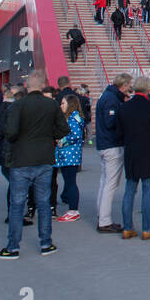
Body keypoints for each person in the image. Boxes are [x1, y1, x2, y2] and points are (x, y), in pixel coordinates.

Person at [0, 72, 67, 260]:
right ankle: (46, 243)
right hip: (44, 157)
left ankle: (13, 247)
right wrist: (48, 135)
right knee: (44, 202)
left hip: (22, 158)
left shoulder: (18, 105)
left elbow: (10, 132)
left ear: (27, 86)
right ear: (43, 85)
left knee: (17, 203)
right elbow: (63, 129)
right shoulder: (51, 105)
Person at [118, 74, 150, 240]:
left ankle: (127, 227)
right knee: (147, 192)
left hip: (131, 151)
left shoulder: (124, 107)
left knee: (129, 191)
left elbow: (119, 129)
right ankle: (146, 228)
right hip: (149, 152)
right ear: (148, 88)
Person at [94, 74, 132, 234]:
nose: (129, 88)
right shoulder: (112, 99)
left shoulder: (107, 96)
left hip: (104, 143)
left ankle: (102, 215)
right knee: (111, 183)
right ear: (123, 85)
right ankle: (104, 221)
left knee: (105, 182)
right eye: (128, 85)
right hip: (112, 144)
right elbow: (111, 122)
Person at [52, 93, 85, 222]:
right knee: (69, 182)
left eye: (63, 103)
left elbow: (75, 135)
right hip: (67, 155)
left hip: (70, 156)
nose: (61, 106)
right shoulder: (71, 117)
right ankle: (71, 207)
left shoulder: (73, 119)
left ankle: (73, 210)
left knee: (70, 182)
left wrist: (61, 140)